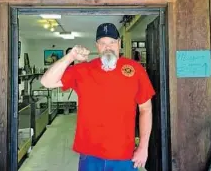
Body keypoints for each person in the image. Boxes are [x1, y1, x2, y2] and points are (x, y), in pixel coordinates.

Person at [40, 23, 155, 171]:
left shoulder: (135, 70)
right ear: (97, 46)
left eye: (112, 42)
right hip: (90, 155)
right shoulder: (83, 70)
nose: (108, 47)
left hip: (124, 154)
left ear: (119, 43)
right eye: (102, 43)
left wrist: (143, 147)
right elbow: (47, 82)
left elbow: (146, 109)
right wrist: (71, 56)